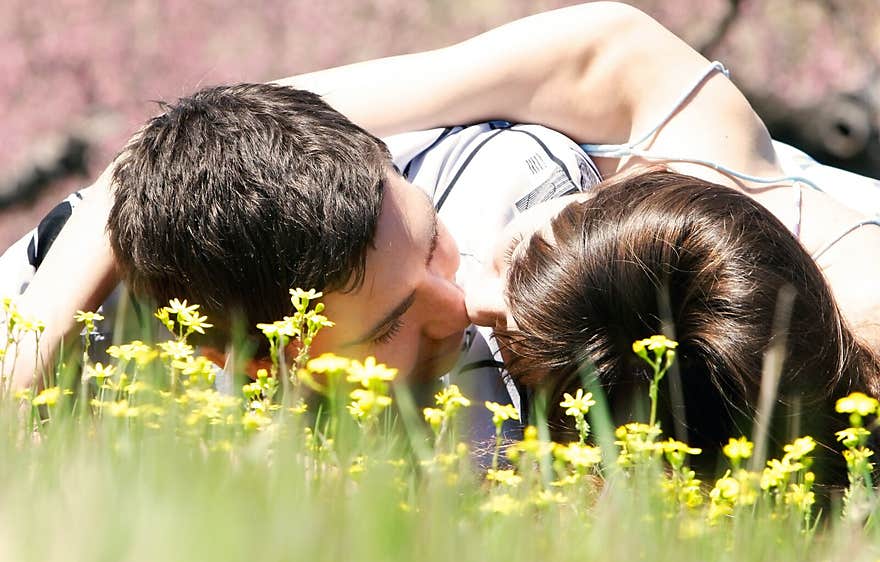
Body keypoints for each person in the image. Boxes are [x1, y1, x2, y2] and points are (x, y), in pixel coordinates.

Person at [2, 3, 878, 460]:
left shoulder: (819, 338)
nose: (469, 299)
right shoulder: (616, 81)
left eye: (434, 245)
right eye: (391, 320)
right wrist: (23, 372)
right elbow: (176, 154)